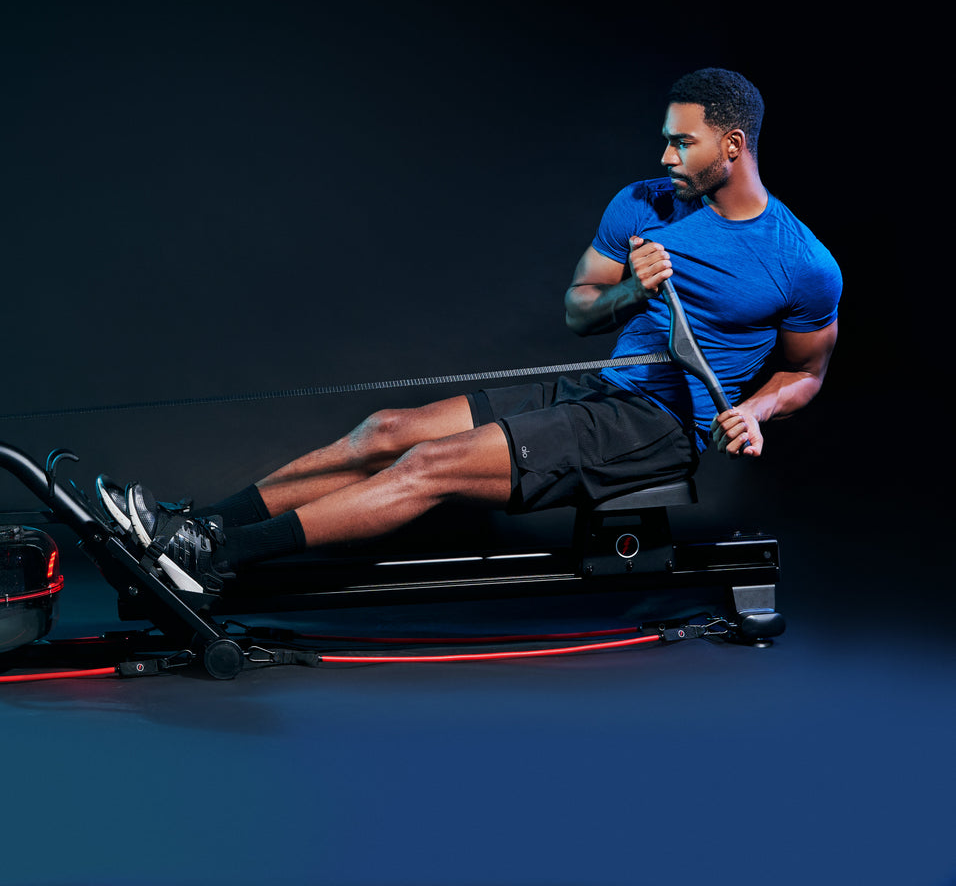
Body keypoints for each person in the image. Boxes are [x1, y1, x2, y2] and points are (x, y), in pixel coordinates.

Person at [96, 68, 842, 597]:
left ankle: (217, 558)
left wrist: (757, 408)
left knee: (427, 464)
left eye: (683, 144)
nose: (664, 157)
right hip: (604, 387)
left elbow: (806, 373)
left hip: (658, 424)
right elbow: (577, 309)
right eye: (666, 140)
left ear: (734, 146)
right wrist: (626, 292)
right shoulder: (643, 202)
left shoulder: (801, 262)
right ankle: (187, 528)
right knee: (384, 429)